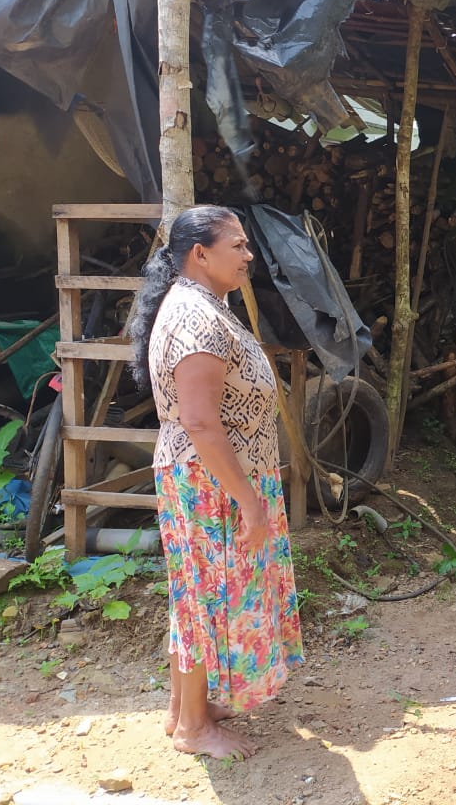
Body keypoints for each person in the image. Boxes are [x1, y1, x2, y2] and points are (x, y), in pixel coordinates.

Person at [128, 205, 303, 760]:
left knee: (196, 596)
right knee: (206, 597)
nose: (249, 255)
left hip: (215, 478)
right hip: (212, 483)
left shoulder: (204, 306)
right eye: (239, 245)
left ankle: (187, 710)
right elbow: (202, 422)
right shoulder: (196, 319)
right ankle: (193, 730)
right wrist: (249, 502)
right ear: (200, 254)